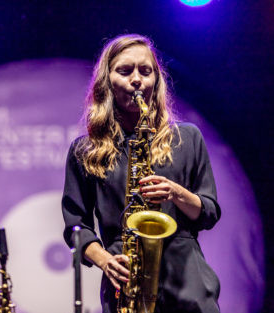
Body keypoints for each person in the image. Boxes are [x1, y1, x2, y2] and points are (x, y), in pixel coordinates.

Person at [62, 34, 221, 313]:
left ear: (156, 81)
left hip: (188, 284)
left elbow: (208, 213)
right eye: (125, 71)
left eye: (145, 71)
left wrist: (177, 193)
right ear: (106, 81)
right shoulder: (84, 151)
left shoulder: (187, 137)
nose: (137, 80)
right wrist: (104, 260)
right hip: (126, 282)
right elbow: (77, 227)